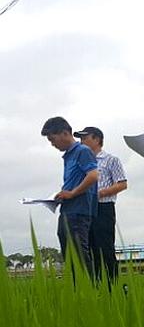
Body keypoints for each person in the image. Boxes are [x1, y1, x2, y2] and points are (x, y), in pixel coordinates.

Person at [41, 117, 99, 274]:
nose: (52, 144)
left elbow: (93, 175)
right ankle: (76, 291)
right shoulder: (69, 155)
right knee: (69, 254)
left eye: (53, 139)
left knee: (79, 254)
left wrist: (72, 193)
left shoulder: (82, 151)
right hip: (68, 210)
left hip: (79, 211)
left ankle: (89, 290)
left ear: (65, 133)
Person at [74, 126, 128, 280]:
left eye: (85, 138)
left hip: (103, 208)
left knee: (105, 248)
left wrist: (99, 193)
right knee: (88, 249)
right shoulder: (81, 162)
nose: (81, 141)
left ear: (97, 139)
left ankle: (112, 285)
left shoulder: (111, 160)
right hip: (84, 209)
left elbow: (122, 184)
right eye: (80, 139)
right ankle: (96, 285)